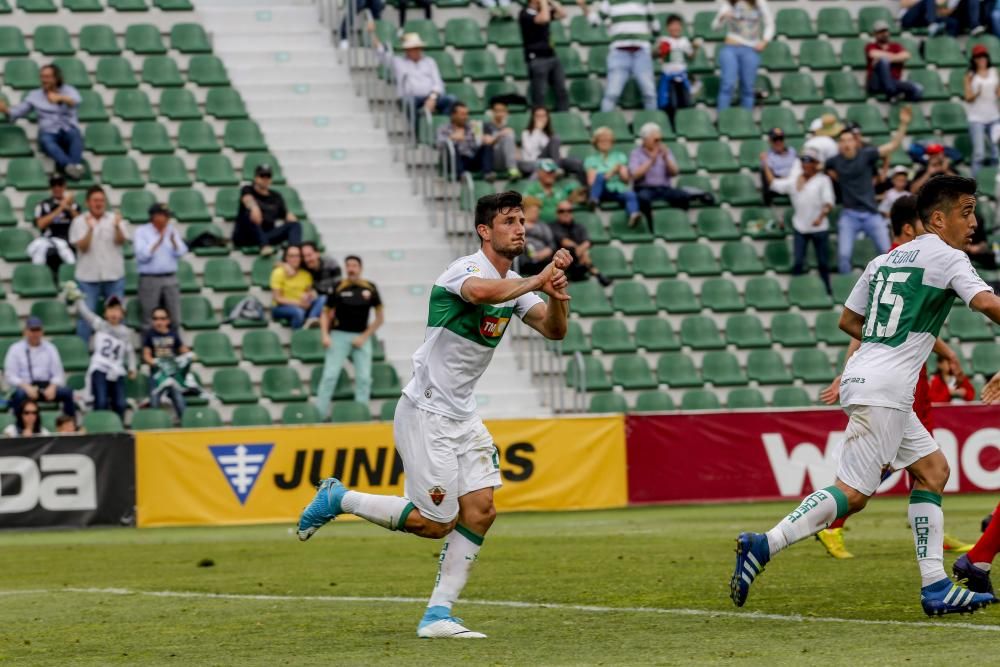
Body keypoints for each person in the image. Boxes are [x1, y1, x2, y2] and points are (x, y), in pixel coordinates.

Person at [296, 190, 573, 639]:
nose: (520, 228)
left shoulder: (519, 283)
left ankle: (437, 615)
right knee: (434, 522)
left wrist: (557, 294)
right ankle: (339, 499)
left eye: (522, 220)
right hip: (426, 410)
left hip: (462, 414)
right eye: (508, 221)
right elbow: (482, 293)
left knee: (481, 510)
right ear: (485, 231)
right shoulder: (465, 270)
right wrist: (539, 279)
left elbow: (555, 331)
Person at [731, 175, 1000, 616]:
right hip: (888, 387)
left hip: (866, 376)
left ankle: (935, 586)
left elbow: (848, 320)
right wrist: (903, 348)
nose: (974, 221)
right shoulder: (949, 257)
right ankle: (764, 544)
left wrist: (887, 343)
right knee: (853, 494)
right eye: (966, 212)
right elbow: (988, 304)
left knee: (932, 470)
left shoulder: (883, 261)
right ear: (938, 218)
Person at [817, 195, 973, 560]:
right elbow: (869, 329)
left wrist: (945, 353)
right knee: (893, 460)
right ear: (910, 227)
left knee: (926, 462)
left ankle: (933, 533)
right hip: (895, 376)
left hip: (906, 372)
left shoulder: (903, 259)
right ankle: (831, 523)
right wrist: (847, 369)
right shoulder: (904, 259)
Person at [826, 108, 911, 275]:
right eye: (842, 141)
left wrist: (903, 124)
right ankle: (847, 291)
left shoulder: (866, 155)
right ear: (839, 145)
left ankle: (891, 282)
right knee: (843, 255)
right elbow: (818, 166)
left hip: (871, 213)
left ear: (855, 142)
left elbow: (892, 146)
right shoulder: (834, 161)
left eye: (849, 140)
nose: (846, 144)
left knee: (888, 253)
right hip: (849, 214)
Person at [313, 256, 385, 418]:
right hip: (339, 335)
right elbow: (324, 314)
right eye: (348, 266)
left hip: (361, 336)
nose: (351, 268)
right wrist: (325, 334)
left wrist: (365, 336)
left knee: (364, 378)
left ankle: (361, 415)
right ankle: (319, 415)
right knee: (330, 376)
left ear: (360, 268)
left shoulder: (370, 288)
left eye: (354, 265)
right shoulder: (338, 286)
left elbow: (380, 318)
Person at [0, 64, 84, 179]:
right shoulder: (35, 95)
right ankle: (71, 166)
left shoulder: (68, 90)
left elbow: (76, 102)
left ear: (56, 78)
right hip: (49, 131)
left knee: (75, 135)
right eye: (42, 77)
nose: (44, 80)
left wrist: (61, 98)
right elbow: (19, 111)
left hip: (67, 128)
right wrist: (6, 110)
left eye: (47, 77)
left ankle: (74, 166)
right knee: (46, 140)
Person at [769, 149, 834, 294]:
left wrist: (820, 217)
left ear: (815, 164)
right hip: (800, 227)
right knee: (798, 262)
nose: (805, 164)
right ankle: (795, 290)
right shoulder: (795, 181)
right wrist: (765, 165)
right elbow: (774, 184)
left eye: (808, 161)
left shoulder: (823, 180)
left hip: (820, 228)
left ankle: (827, 290)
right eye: (803, 161)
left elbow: (828, 203)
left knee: (823, 263)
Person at [69, 186, 128, 341]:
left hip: (114, 275)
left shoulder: (114, 218)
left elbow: (121, 241)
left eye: (102, 200)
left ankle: (119, 357)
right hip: (88, 276)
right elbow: (82, 247)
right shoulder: (79, 221)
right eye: (95, 200)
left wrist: (117, 226)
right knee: (85, 318)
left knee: (117, 316)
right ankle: (81, 357)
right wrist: (90, 229)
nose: (99, 203)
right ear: (88, 202)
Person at [578, 0, 659, 111]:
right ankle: (604, 124)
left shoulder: (646, 1)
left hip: (642, 52)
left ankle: (653, 125)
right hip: (619, 53)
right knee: (612, 94)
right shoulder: (610, 1)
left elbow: (655, 27)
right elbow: (594, 22)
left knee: (649, 94)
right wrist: (583, 6)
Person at [370, 30, 455, 134]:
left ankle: (443, 130)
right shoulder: (398, 62)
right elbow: (381, 52)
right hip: (410, 97)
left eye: (417, 48)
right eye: (412, 49)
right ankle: (417, 135)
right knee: (410, 102)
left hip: (431, 96)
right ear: (407, 50)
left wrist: (432, 98)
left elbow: (438, 83)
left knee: (451, 100)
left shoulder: (430, 61)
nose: (415, 51)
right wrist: (372, 33)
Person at [629, 122, 712, 227]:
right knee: (642, 199)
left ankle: (678, 224)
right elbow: (635, 175)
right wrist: (651, 160)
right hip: (644, 188)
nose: (658, 142)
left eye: (660, 139)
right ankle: (650, 226)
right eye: (656, 140)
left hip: (664, 188)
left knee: (683, 196)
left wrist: (666, 158)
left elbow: (675, 172)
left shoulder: (665, 151)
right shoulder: (636, 153)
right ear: (645, 140)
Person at [72, 294, 137, 420]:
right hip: (100, 367)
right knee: (101, 401)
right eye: (111, 309)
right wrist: (78, 298)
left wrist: (132, 367)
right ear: (105, 312)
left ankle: (119, 428)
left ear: (123, 314)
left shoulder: (126, 332)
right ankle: (99, 427)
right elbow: (86, 314)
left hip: (116, 370)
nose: (114, 313)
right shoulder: (100, 325)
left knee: (120, 403)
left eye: (117, 310)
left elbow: (130, 351)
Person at [4, 317, 76, 418]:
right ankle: (19, 428)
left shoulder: (50, 348)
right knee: (19, 395)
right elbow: (10, 376)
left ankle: (70, 426)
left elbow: (58, 373)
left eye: (38, 330)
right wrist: (26, 387)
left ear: (42, 331)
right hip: (26, 387)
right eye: (32, 330)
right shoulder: (15, 349)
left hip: (46, 387)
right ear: (25, 331)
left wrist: (53, 387)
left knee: (67, 392)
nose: (35, 333)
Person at [713, 0, 774, 110]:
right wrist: (722, 17)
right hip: (731, 47)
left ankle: (746, 122)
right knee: (728, 85)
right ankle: (722, 119)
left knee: (748, 88)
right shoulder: (730, 4)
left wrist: (765, 41)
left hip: (750, 49)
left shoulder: (759, 3)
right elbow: (715, 27)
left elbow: (770, 24)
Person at [134, 203, 187, 327]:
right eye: (165, 216)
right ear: (155, 217)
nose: (168, 219)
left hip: (170, 277)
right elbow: (142, 256)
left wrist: (174, 242)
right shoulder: (142, 231)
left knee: (174, 317)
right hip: (149, 278)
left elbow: (182, 251)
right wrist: (157, 241)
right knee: (149, 318)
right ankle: (148, 346)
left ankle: (174, 344)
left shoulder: (172, 230)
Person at [232, 164, 302, 256]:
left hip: (267, 235)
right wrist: (254, 207)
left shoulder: (276, 196)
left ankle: (294, 252)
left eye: (268, 176)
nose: (265, 179)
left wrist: (292, 220)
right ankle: (264, 246)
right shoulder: (248, 189)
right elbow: (248, 200)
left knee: (295, 225)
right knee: (250, 213)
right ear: (256, 178)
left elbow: (286, 215)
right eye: (262, 176)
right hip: (247, 237)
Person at [585, 127, 641, 227]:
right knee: (600, 176)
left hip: (617, 189)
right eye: (601, 140)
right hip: (601, 191)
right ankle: (593, 200)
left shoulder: (620, 156)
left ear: (612, 142)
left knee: (630, 194)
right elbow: (591, 182)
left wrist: (620, 171)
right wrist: (612, 172)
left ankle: (633, 214)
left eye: (607, 140)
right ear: (596, 143)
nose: (605, 143)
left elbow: (626, 180)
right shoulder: (591, 160)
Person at [519, 0, 570, 112]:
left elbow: (563, 14)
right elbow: (544, 19)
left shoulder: (542, 11)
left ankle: (563, 114)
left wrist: (552, 2)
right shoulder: (525, 14)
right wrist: (544, 2)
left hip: (551, 56)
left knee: (561, 89)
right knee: (540, 93)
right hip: (537, 58)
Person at [142, 306, 191, 419]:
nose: (159, 321)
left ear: (168, 320)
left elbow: (182, 349)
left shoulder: (173, 334)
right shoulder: (150, 335)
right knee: (154, 401)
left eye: (162, 318)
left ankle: (186, 425)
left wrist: (190, 355)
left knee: (179, 400)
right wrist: (155, 363)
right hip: (157, 374)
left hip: (172, 374)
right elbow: (146, 355)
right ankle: (155, 426)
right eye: (156, 318)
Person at [28, 174, 78, 281]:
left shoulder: (74, 206)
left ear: (64, 186)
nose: (57, 188)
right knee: (45, 250)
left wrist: (68, 207)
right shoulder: (43, 205)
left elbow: (80, 222)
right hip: (50, 241)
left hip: (70, 242)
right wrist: (60, 207)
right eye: (53, 185)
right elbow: (40, 224)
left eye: (60, 184)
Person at [519, 106, 586, 183]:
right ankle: (556, 169)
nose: (541, 119)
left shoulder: (549, 134)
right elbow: (530, 153)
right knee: (555, 138)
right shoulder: (526, 133)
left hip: (553, 161)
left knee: (576, 162)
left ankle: (586, 191)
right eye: (538, 116)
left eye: (543, 116)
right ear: (533, 118)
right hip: (536, 161)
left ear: (547, 118)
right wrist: (537, 130)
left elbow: (555, 152)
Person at [551, 201, 611, 284]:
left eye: (569, 211)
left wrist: (579, 250)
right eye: (562, 211)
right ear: (557, 213)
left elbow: (587, 242)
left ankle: (594, 272)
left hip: (579, 261)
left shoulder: (579, 226)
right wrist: (577, 249)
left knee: (585, 252)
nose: (566, 213)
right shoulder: (554, 226)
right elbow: (564, 241)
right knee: (576, 252)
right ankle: (597, 273)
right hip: (563, 263)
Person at [964, 45, 1000, 177]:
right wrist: (977, 93)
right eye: (978, 57)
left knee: (996, 152)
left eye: (983, 56)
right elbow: (968, 97)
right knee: (979, 154)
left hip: (994, 116)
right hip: (977, 118)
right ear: (974, 59)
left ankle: (993, 181)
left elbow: (997, 92)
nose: (981, 59)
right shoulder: (970, 75)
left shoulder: (993, 72)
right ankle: (974, 185)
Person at [866, 21, 923, 103]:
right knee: (883, 61)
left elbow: (906, 55)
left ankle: (901, 102)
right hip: (876, 83)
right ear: (875, 34)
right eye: (880, 32)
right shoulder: (871, 46)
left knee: (918, 88)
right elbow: (873, 54)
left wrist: (885, 57)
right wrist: (896, 57)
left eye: (885, 31)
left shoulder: (895, 46)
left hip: (894, 82)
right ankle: (892, 92)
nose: (884, 34)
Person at [656, 14, 700, 121]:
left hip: (682, 76)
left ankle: (684, 124)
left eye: (678, 25)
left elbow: (691, 56)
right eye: (673, 25)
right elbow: (656, 54)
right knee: (671, 103)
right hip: (668, 77)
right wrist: (659, 49)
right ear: (668, 27)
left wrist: (695, 48)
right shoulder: (664, 40)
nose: (676, 28)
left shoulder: (684, 41)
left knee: (685, 102)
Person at [437, 103, 494, 180]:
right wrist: (451, 138)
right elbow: (439, 144)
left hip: (471, 159)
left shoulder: (471, 126)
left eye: (467, 114)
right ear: (453, 115)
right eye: (462, 114)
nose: (466, 117)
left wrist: (482, 138)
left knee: (487, 145)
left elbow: (477, 145)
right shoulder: (444, 128)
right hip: (456, 161)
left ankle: (488, 173)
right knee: (451, 146)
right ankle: (461, 174)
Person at [270, 245, 319, 330]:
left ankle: (311, 320)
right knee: (298, 312)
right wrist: (298, 303)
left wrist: (309, 297)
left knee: (323, 299)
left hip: (301, 305)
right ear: (286, 258)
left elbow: (309, 293)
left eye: (297, 256)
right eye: (291, 256)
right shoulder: (278, 272)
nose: (295, 259)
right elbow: (278, 299)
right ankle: (298, 340)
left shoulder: (306, 274)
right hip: (280, 308)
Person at [301, 242, 343, 328]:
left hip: (329, 299)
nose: (307, 259)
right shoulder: (303, 266)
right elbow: (281, 263)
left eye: (309, 255)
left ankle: (311, 321)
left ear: (317, 254)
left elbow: (339, 286)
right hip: (311, 301)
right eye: (304, 256)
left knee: (325, 299)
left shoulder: (331, 263)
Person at [519, 196, 557, 276]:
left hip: (544, 259)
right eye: (535, 211)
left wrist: (546, 252)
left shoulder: (542, 226)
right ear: (526, 210)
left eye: (538, 211)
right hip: (526, 260)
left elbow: (551, 244)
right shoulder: (519, 225)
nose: (538, 213)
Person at [483, 100, 521, 180]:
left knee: (509, 135)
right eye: (497, 111)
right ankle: (512, 169)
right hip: (493, 160)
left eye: (502, 111)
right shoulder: (487, 126)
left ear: (506, 112)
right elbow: (487, 142)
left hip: (507, 159)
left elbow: (513, 147)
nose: (500, 113)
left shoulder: (508, 127)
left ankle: (512, 169)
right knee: (508, 135)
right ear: (492, 112)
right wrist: (500, 134)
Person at [901, 0, 983, 36]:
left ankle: (949, 44)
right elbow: (904, 4)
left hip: (925, 18)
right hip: (909, 18)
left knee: (953, 23)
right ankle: (932, 24)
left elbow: (942, 10)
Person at [760, 128, 797, 205]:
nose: (778, 142)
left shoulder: (792, 151)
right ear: (770, 141)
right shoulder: (767, 157)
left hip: (795, 181)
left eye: (781, 138)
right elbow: (770, 179)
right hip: (780, 184)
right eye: (775, 139)